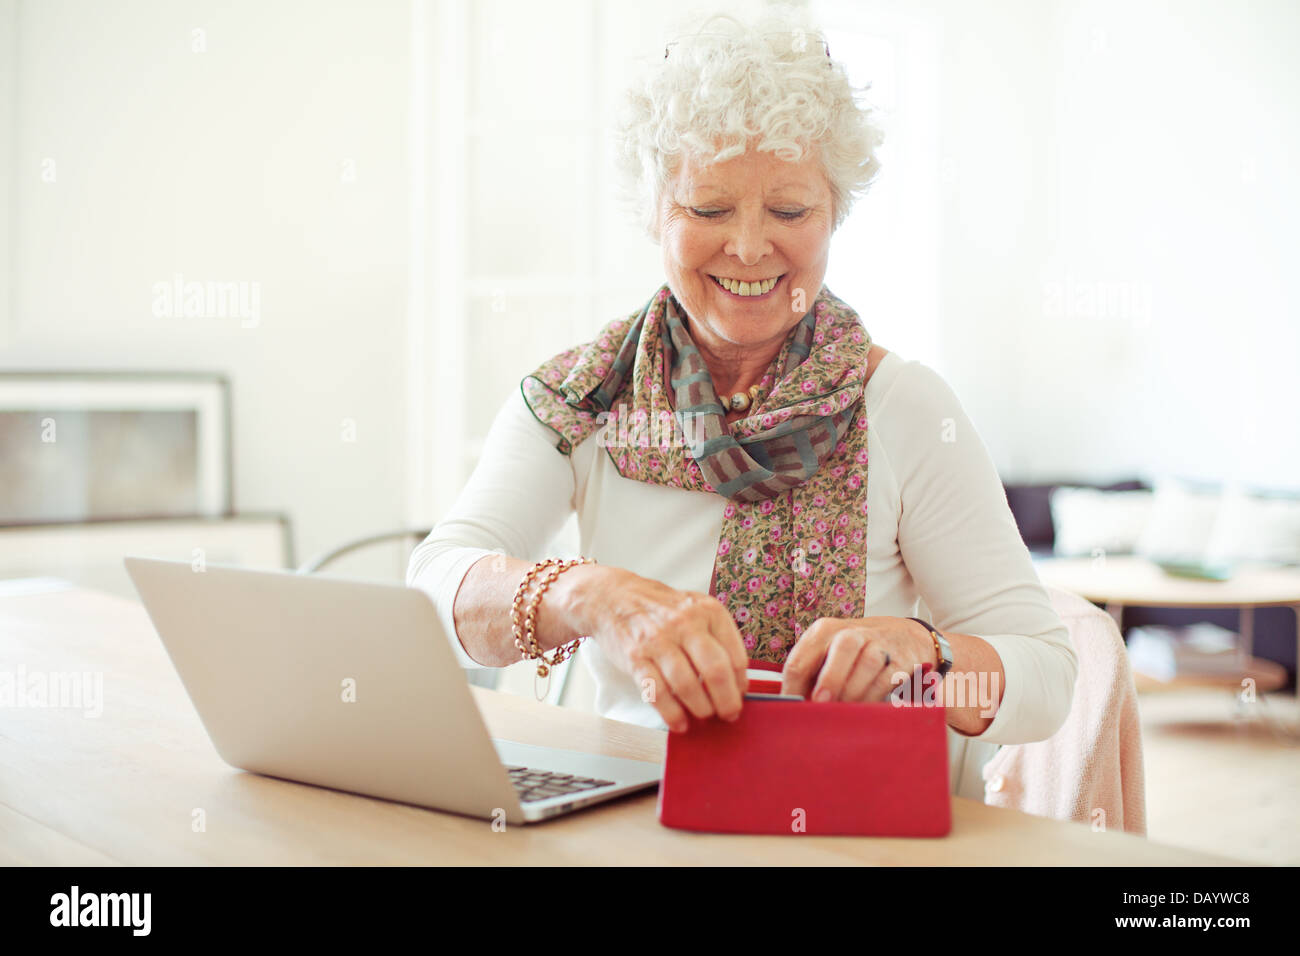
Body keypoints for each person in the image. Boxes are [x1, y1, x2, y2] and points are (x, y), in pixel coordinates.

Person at [408, 11, 1076, 799]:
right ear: (655, 212)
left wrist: (927, 665)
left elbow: (1046, 680)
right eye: (709, 209)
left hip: (853, 823)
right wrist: (591, 594)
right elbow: (431, 589)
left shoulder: (903, 407)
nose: (752, 248)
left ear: (835, 211)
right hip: (640, 817)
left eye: (790, 211)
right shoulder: (581, 402)